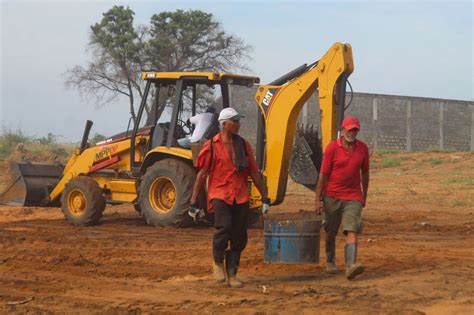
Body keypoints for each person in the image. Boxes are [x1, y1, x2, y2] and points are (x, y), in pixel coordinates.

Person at [189, 107, 269, 288]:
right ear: (224, 124)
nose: (239, 124)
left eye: (239, 121)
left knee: (240, 236)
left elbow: (254, 173)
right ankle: (217, 263)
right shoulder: (211, 146)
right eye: (235, 121)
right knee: (223, 227)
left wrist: (265, 197)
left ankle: (232, 274)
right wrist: (194, 201)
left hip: (240, 195)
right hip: (220, 194)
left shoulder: (244, 145)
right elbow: (202, 174)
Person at [314, 115, 370, 280]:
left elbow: (365, 173)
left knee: (352, 229)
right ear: (342, 129)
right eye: (349, 129)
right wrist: (318, 199)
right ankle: (330, 261)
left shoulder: (363, 149)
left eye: (355, 130)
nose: (352, 133)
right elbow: (323, 175)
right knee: (330, 231)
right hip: (332, 196)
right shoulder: (332, 148)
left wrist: (364, 195)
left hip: (353, 196)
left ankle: (350, 266)